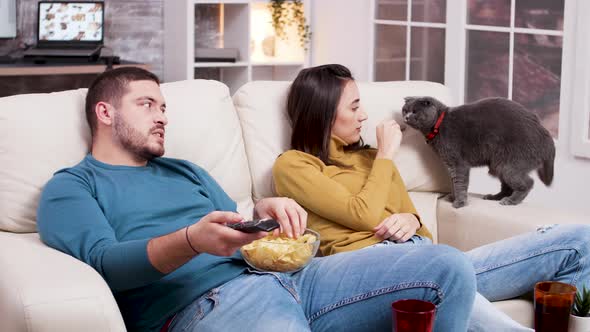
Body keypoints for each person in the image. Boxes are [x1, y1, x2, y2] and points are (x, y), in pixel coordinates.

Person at [37, 67, 477, 332]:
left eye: (165, 107)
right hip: (207, 303)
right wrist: (191, 240)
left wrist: (260, 210)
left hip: (295, 277)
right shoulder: (73, 186)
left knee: (446, 266)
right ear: (105, 112)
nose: (163, 117)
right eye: (147, 105)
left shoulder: (186, 169)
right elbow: (105, 265)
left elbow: (235, 221)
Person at [272, 64, 590, 332]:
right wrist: (386, 154)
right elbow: (362, 214)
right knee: (445, 269)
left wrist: (411, 220)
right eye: (354, 107)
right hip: (373, 275)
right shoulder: (294, 165)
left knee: (579, 242)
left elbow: (422, 233)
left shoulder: (370, 158)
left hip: (431, 260)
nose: (364, 115)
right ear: (324, 113)